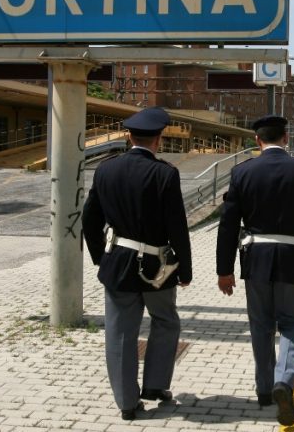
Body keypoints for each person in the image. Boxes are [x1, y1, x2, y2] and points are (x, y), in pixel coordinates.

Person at [216, 114, 294, 426]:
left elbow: (227, 224)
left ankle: (265, 390)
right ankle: (285, 379)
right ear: (286, 137)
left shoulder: (241, 172)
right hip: (293, 260)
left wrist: (223, 269)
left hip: (254, 260)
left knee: (261, 326)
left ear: (258, 141)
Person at [83, 106, 192, 421]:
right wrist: (185, 269)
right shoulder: (165, 173)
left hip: (118, 263)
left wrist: (99, 258)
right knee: (166, 321)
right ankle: (156, 386)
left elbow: (90, 220)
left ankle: (127, 403)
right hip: (158, 268)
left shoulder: (105, 170)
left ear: (128, 136)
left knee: (120, 332)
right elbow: (177, 227)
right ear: (159, 139)